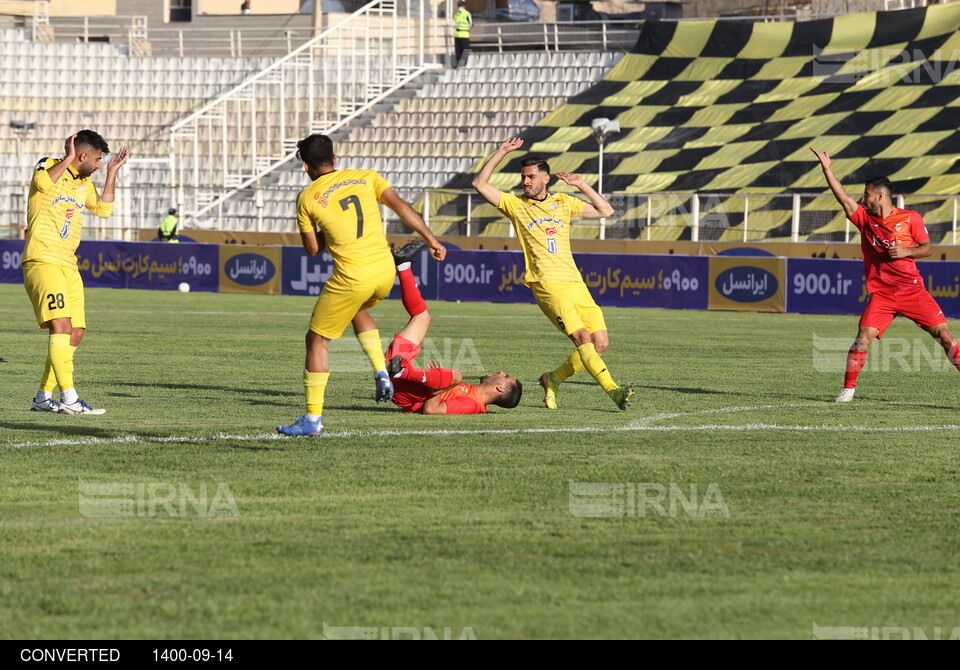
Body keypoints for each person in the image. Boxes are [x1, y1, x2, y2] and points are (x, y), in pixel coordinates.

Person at [277, 134, 446, 437]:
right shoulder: (366, 177)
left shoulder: (306, 197)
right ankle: (381, 370)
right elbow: (402, 206)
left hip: (353, 275)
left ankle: (312, 420)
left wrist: (331, 227)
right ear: (335, 158)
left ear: (305, 166)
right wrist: (432, 240)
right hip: (384, 269)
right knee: (356, 311)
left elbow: (313, 250)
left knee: (316, 341)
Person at [472, 137, 634, 411]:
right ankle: (614, 391)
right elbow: (479, 184)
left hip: (575, 282)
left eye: (531, 176)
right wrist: (501, 152)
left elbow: (606, 210)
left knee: (601, 343)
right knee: (583, 339)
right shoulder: (516, 205)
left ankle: (553, 379)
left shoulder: (563, 202)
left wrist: (581, 184)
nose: (525, 181)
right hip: (547, 284)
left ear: (545, 179)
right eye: (523, 176)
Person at [811, 147, 960, 402]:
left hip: (912, 291)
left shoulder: (910, 218)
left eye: (866, 195)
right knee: (861, 339)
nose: (862, 200)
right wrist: (827, 169)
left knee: (946, 337)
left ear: (881, 196)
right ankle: (848, 390)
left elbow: (927, 249)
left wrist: (906, 251)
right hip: (882, 295)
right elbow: (843, 198)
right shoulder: (864, 220)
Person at [23, 130, 129, 414]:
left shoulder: (84, 184)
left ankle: (43, 397)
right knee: (60, 326)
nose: (97, 164)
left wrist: (111, 173)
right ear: (81, 155)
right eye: (97, 159)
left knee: (76, 332)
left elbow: (103, 210)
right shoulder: (47, 165)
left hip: (69, 265)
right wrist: (68, 157)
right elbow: (42, 184)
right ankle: (69, 398)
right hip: (43, 260)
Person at [385, 239, 522, 414]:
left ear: (501, 389)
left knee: (456, 376)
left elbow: (432, 410)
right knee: (422, 318)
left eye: (506, 376)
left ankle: (401, 371)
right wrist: (435, 380)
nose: (502, 372)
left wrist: (443, 383)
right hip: (402, 378)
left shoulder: (473, 405)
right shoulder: (470, 391)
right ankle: (404, 265)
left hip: (402, 387)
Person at [453, 0, 472, 68]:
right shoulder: (456, 14)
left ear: (463, 6)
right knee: (458, 50)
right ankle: (458, 63)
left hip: (464, 34)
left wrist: (465, 29)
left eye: (460, 6)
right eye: (459, 6)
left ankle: (465, 63)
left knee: (465, 49)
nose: (459, 7)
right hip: (457, 34)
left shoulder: (467, 14)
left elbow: (471, 24)